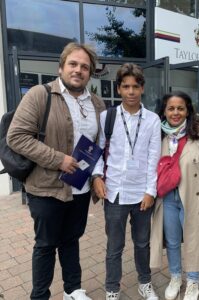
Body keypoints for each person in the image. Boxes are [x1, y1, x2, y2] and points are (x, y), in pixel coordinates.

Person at [7, 42, 106, 300]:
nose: (78, 70)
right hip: (46, 187)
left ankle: (73, 290)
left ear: (90, 73)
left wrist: (96, 176)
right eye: (73, 64)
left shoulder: (97, 103)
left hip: (80, 187)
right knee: (46, 245)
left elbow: (99, 146)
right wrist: (57, 159)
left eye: (85, 67)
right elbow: (16, 136)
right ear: (61, 67)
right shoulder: (41, 95)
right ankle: (40, 295)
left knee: (71, 239)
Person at [92, 63, 161, 300]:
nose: (131, 91)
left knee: (142, 244)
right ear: (119, 89)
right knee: (114, 247)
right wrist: (97, 176)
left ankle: (145, 282)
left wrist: (150, 191)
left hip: (142, 193)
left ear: (142, 88)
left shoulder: (152, 120)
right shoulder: (107, 117)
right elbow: (99, 152)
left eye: (135, 86)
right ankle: (112, 289)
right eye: (125, 87)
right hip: (114, 192)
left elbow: (154, 158)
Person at [150, 91, 199, 300]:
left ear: (188, 110)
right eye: (171, 108)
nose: (175, 112)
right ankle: (175, 277)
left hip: (194, 198)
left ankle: (192, 281)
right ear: (164, 111)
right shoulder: (159, 134)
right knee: (172, 241)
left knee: (194, 239)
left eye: (180, 108)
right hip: (167, 198)